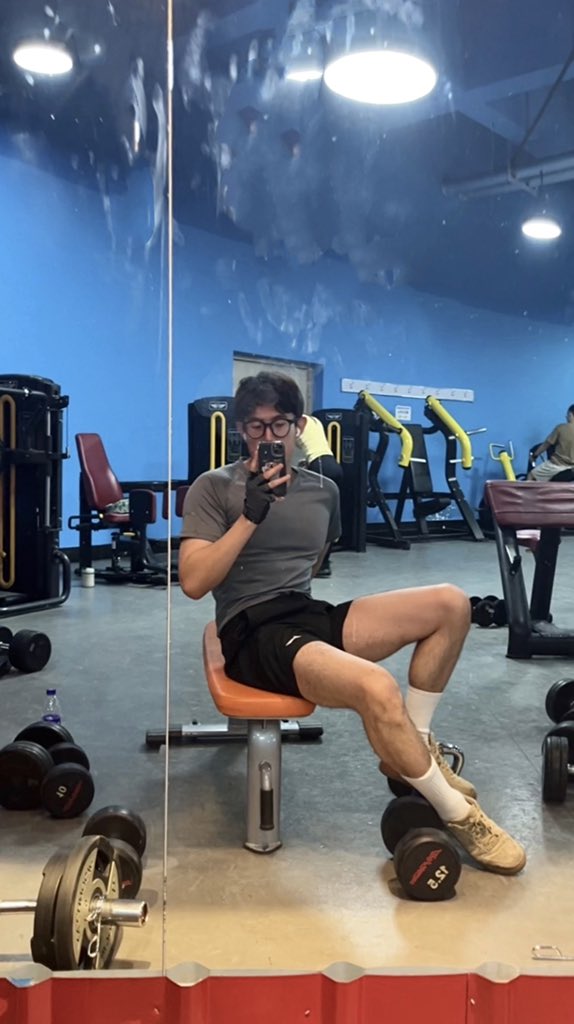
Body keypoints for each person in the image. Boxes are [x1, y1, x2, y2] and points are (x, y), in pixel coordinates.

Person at [179, 371, 526, 876]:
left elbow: (316, 562)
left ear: (299, 426)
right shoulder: (213, 488)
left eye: (279, 425)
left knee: (452, 604)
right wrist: (250, 516)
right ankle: (460, 815)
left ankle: (414, 747)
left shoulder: (324, 490)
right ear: (240, 430)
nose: (268, 437)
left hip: (304, 612)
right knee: (376, 687)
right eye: (255, 427)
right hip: (251, 628)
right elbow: (193, 582)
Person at [295, 412, 344, 577]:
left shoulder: (297, 421)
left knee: (318, 517)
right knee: (325, 515)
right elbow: (313, 446)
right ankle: (324, 561)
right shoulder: (314, 421)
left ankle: (323, 564)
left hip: (321, 465)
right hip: (331, 464)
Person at [528, 405, 574, 480]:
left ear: (570, 415)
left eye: (567, 415)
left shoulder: (561, 428)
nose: (566, 417)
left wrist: (534, 456)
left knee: (531, 475)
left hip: (557, 465)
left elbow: (546, 445)